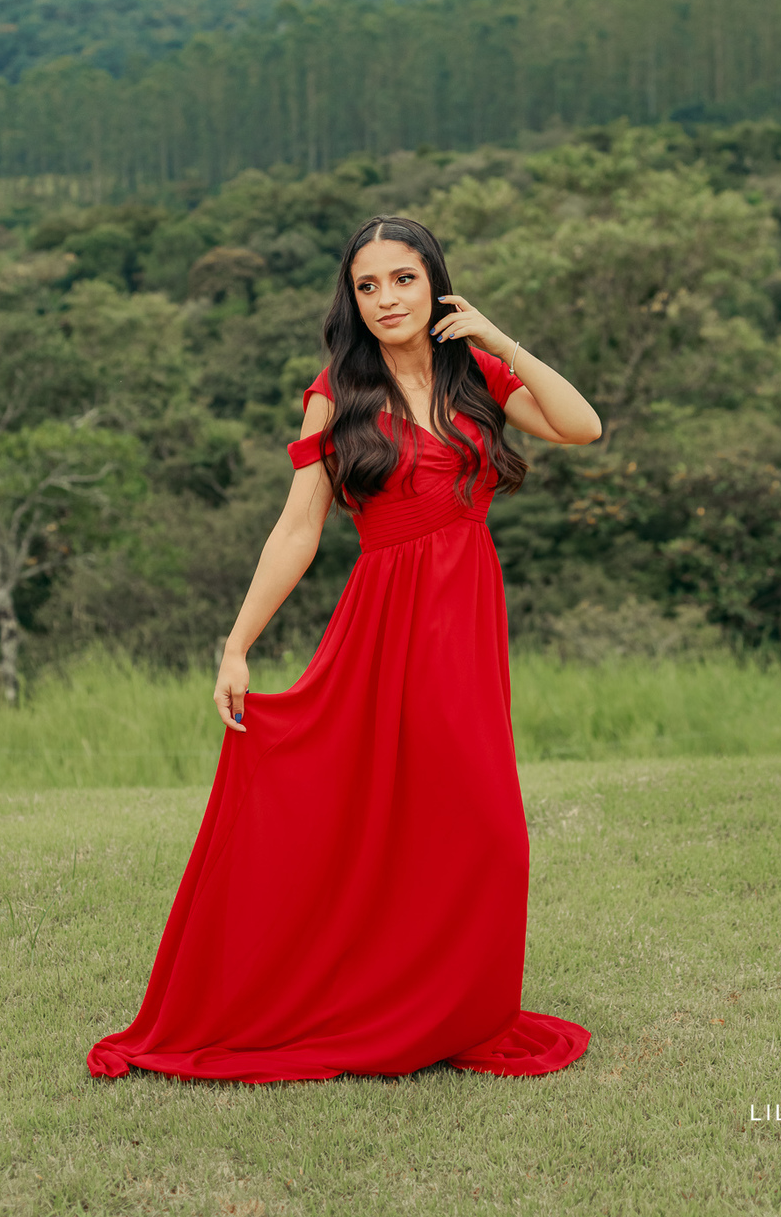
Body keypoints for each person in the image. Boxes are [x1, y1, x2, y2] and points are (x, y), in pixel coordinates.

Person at [88, 214, 601, 1084]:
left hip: (465, 620)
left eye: (403, 279)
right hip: (386, 623)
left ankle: (451, 1009)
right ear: (351, 300)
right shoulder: (337, 393)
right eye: (368, 286)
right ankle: (370, 1004)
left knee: (483, 834)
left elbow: (580, 426)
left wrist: (496, 334)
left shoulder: (476, 373)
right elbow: (297, 531)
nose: (386, 299)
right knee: (393, 824)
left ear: (434, 283)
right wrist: (237, 646)